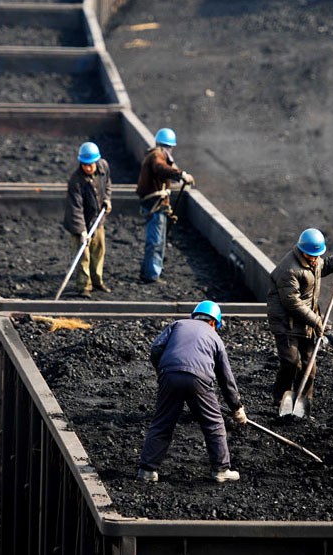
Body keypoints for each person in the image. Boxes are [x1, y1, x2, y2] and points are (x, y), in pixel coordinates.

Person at [137, 301, 247, 484]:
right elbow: (225, 377)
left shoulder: (177, 325)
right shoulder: (214, 337)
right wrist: (236, 407)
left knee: (162, 422)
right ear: (214, 322)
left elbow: (156, 348)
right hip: (199, 379)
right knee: (214, 423)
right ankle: (221, 469)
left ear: (196, 316)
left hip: (169, 375)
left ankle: (147, 470)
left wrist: (162, 372)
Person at [267, 228, 333, 408]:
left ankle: (302, 405)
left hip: (305, 321)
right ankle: (280, 400)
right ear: (302, 251)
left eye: (317, 255)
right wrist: (316, 320)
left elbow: (325, 266)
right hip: (286, 322)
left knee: (310, 366)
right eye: (311, 256)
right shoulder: (289, 270)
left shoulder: (313, 261)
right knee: (292, 363)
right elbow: (292, 303)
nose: (315, 259)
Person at [136, 127, 195, 283]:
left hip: (158, 205)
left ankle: (148, 270)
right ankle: (152, 274)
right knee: (156, 241)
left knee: (157, 240)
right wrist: (180, 174)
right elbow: (161, 168)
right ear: (168, 146)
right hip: (155, 205)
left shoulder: (158, 155)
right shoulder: (157, 155)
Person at [63, 142, 112, 298]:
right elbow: (75, 209)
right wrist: (82, 231)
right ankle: (84, 286)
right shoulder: (76, 181)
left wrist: (107, 200)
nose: (87, 168)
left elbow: (108, 185)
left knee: (98, 250)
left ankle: (97, 280)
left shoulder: (103, 167)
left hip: (97, 220)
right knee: (83, 255)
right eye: (84, 165)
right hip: (79, 223)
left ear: (96, 161)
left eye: (90, 165)